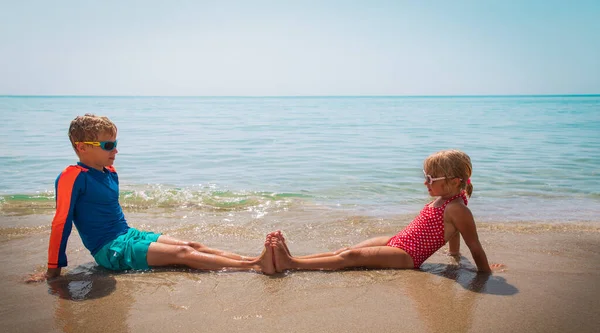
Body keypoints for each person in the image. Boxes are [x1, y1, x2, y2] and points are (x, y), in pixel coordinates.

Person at [31, 114, 273, 282]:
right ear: (82, 147)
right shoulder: (72, 176)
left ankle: (251, 258)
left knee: (190, 245)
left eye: (116, 143)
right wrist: (54, 270)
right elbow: (61, 223)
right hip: (110, 249)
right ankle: (256, 266)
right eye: (108, 145)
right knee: (182, 256)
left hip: (127, 234)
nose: (115, 150)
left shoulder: (110, 173)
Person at [264, 149, 503, 275]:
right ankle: (297, 258)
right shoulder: (447, 199)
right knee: (348, 250)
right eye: (425, 177)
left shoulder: (458, 208)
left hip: (408, 256)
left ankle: (290, 263)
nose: (425, 182)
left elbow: (475, 244)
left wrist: (484, 272)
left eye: (430, 178)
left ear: (452, 181)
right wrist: (453, 256)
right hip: (399, 241)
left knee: (351, 260)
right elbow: (455, 235)